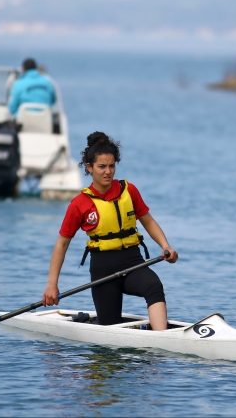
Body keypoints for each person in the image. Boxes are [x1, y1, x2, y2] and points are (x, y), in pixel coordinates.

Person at [42, 132, 179, 329]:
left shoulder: (129, 190)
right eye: (102, 167)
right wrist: (52, 285)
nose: (108, 171)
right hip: (103, 270)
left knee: (154, 286)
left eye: (112, 165)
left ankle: (163, 339)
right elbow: (62, 244)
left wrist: (166, 247)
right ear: (89, 168)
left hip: (132, 262)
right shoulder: (80, 204)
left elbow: (148, 221)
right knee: (110, 329)